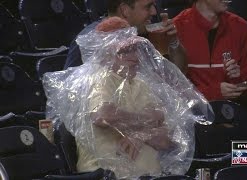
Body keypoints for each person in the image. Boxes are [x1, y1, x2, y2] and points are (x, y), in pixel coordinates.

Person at [43, 17, 209, 179]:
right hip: (108, 175)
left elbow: (167, 139)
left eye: (135, 49)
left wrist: (140, 135)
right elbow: (103, 116)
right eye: (124, 51)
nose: (135, 57)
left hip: (152, 176)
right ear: (105, 53)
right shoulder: (98, 79)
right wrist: (147, 123)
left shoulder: (140, 84)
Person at [64, 0, 187, 74]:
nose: (154, 12)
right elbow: (72, 93)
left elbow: (176, 77)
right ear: (125, 10)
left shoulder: (142, 36)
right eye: (148, 6)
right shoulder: (92, 40)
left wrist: (173, 42)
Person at [173, 0, 247, 101]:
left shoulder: (240, 26)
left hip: (234, 110)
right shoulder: (176, 28)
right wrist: (214, 92)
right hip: (193, 113)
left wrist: (238, 79)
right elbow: (171, 91)